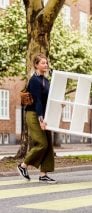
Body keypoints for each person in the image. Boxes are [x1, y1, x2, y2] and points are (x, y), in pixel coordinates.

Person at [17, 53, 56, 184]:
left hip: (44, 115)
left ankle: (43, 174)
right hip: (34, 114)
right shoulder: (34, 80)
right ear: (36, 65)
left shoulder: (46, 80)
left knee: (48, 144)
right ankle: (23, 166)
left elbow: (48, 99)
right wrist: (40, 119)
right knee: (41, 143)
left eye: (46, 63)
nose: (46, 65)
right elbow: (38, 100)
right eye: (43, 63)